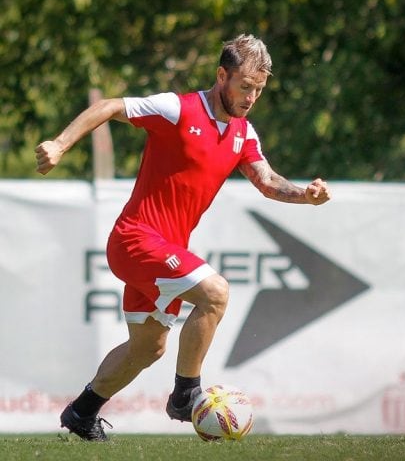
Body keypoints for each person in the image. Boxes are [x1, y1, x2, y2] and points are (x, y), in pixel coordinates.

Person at [35, 34, 331, 441]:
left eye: (258, 90)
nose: (250, 97)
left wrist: (306, 196)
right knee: (215, 292)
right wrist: (59, 143)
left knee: (147, 349)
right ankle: (185, 394)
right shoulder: (178, 109)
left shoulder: (244, 133)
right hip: (135, 239)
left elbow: (267, 181)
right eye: (244, 86)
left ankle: (82, 413)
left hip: (166, 250)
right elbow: (108, 107)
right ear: (221, 75)